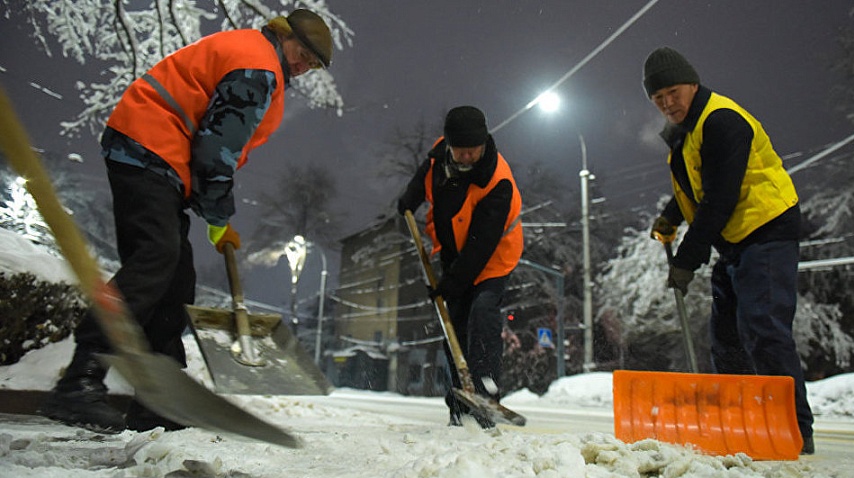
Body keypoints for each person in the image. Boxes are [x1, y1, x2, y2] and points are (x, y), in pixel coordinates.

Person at [40, 9, 333, 434]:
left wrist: (211, 209)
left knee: (176, 276)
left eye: (314, 62)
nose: (305, 65)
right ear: (281, 34)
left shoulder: (255, 57)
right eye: (302, 52)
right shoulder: (258, 68)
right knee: (155, 257)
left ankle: (160, 400)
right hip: (148, 145)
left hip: (159, 154)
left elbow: (209, 141)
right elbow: (217, 151)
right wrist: (217, 215)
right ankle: (78, 381)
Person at [643, 47, 815, 454]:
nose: (668, 103)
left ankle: (794, 429)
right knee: (725, 337)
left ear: (693, 84)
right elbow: (696, 187)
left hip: (768, 228)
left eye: (673, 91)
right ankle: (744, 420)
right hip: (738, 237)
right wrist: (671, 216)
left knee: (763, 329)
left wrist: (687, 258)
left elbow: (720, 196)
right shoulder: (689, 131)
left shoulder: (720, 120)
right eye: (658, 98)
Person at [397, 106, 523, 428]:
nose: (467, 157)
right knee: (453, 324)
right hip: (454, 250)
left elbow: (481, 246)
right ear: (450, 146)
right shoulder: (441, 157)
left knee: (481, 309)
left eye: (473, 151)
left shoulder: (498, 181)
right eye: (460, 151)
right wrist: (410, 197)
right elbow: (426, 171)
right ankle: (458, 404)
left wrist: (450, 283)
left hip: (493, 256)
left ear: (484, 144)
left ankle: (485, 389)